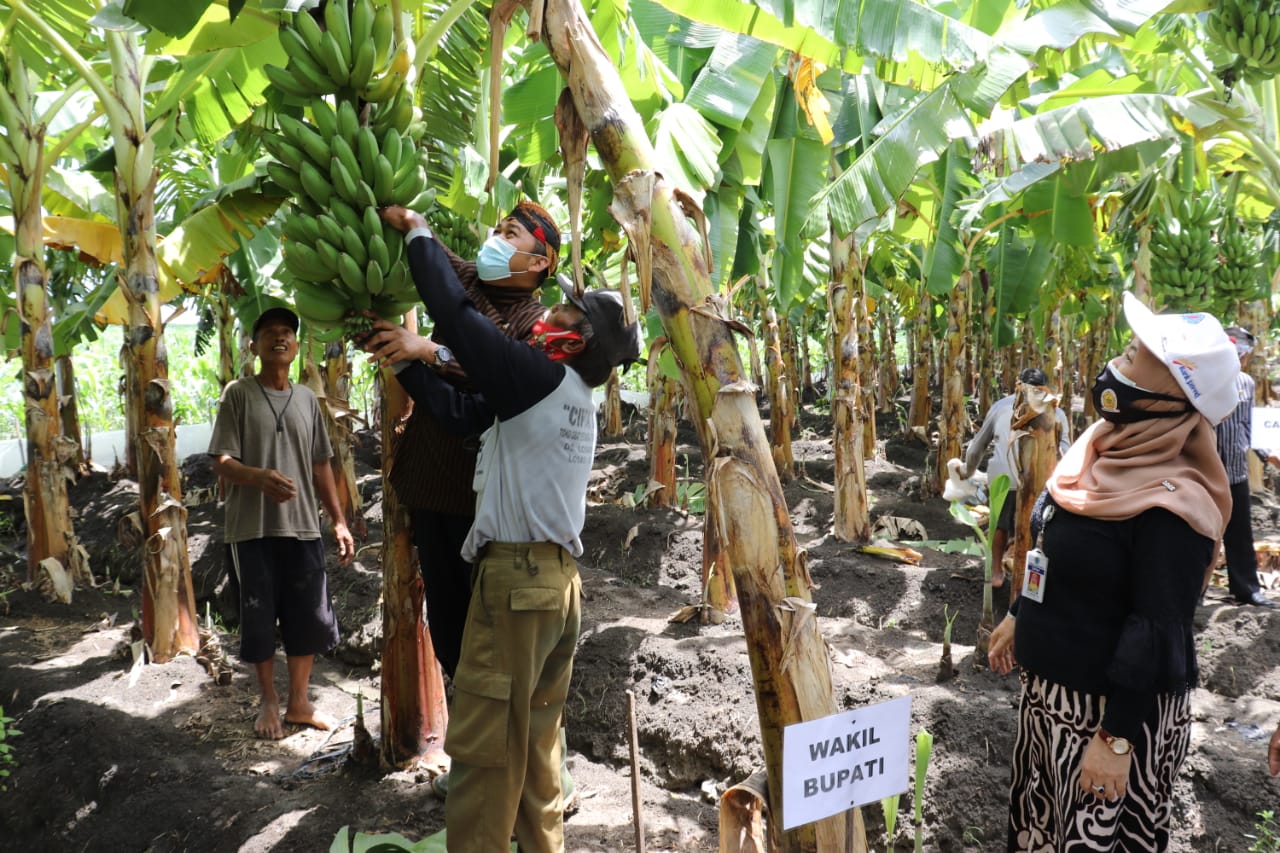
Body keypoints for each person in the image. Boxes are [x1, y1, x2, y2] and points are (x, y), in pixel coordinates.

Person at [364, 204, 641, 853]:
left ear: (575, 342)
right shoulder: (559, 393)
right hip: (552, 587)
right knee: (538, 767)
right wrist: (405, 363)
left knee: (485, 764)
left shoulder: (537, 378)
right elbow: (464, 412)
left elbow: (459, 317)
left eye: (564, 318)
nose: (548, 318)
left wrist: (420, 233)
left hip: (517, 583)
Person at [989, 293, 1239, 851]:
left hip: (1106, 723)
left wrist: (1116, 740)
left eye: (1131, 357)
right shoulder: (1099, 453)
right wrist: (1019, 613)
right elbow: (1054, 544)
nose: (1115, 368)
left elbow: (1156, 631)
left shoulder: (1174, 507)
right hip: (1053, 710)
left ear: (1170, 395)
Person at [390, 201, 560, 679]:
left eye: (511, 235)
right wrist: (403, 218)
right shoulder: (467, 280)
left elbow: (496, 383)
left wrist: (428, 351)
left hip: (483, 505)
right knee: (445, 626)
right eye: (499, 229)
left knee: (482, 629)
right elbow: (429, 251)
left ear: (538, 262)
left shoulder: (537, 326)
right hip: (427, 486)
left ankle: (489, 733)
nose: (495, 240)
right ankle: (467, 723)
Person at [209, 306, 355, 740]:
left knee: (306, 617)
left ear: (295, 347)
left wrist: (339, 521)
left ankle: (299, 702)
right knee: (259, 619)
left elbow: (321, 463)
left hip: (303, 527)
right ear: (253, 346)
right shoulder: (238, 394)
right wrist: (258, 477)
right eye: (270, 332)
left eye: (288, 332)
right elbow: (220, 461)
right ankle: (269, 700)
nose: (280, 337)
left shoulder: (308, 399)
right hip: (251, 529)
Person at [959, 367, 1071, 587]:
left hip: (1004, 475)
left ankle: (995, 572)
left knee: (999, 521)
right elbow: (1065, 452)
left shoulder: (1002, 405)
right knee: (1039, 527)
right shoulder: (1055, 410)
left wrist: (967, 472)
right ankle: (1033, 578)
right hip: (1041, 481)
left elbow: (976, 447)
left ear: (1017, 386)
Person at [1214, 325, 1277, 607]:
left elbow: (1249, 426)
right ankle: (1195, 591)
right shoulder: (1203, 382)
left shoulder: (1246, 383)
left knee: (1239, 533)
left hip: (1236, 470)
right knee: (1202, 534)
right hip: (1205, 471)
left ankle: (1247, 589)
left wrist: (1269, 454)